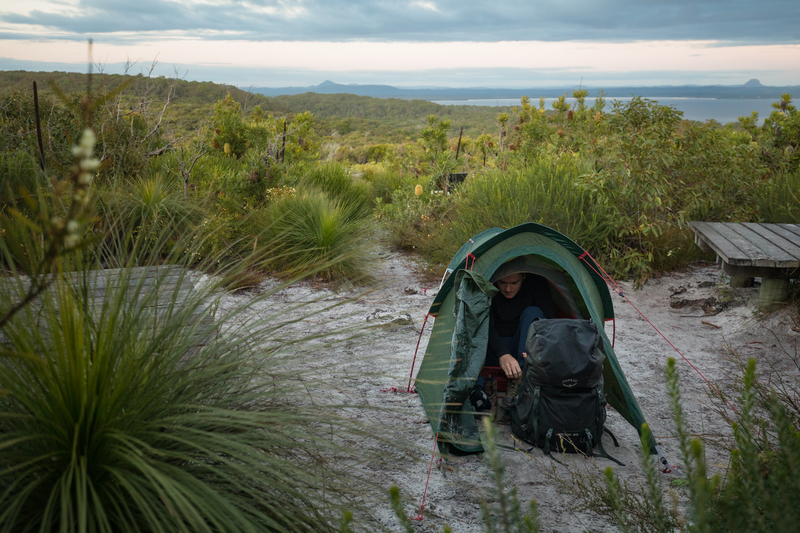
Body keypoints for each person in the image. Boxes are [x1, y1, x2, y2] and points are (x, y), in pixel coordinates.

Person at [471, 272, 555, 418]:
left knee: (533, 312)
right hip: (492, 349)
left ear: (524, 277)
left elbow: (550, 324)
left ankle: (518, 384)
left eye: (514, 283)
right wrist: (503, 354)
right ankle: (480, 392)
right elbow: (485, 328)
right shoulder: (487, 289)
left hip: (521, 349)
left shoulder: (537, 284)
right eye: (502, 283)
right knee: (472, 328)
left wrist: (534, 347)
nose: (508, 289)